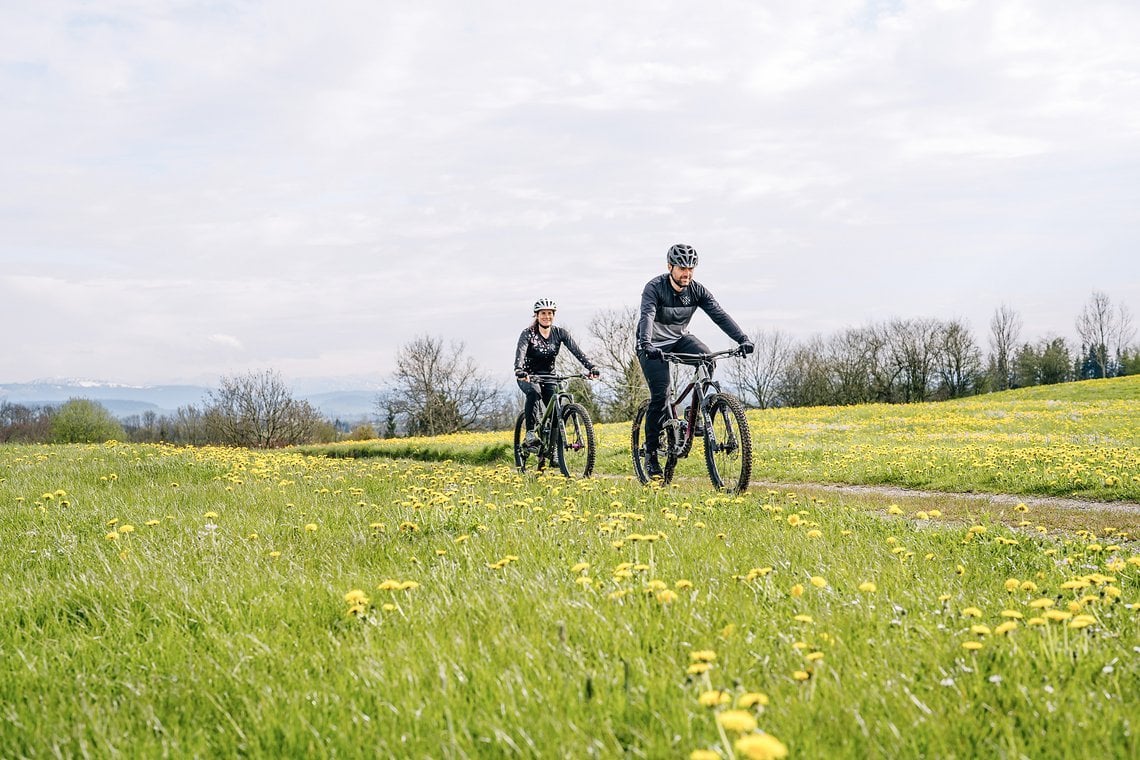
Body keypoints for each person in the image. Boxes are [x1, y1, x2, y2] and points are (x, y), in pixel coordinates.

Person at [635, 244, 754, 478]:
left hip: (679, 339)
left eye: (690, 268)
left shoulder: (697, 291)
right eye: (681, 268)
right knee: (661, 396)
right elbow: (647, 315)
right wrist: (646, 343)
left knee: (707, 358)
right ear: (670, 267)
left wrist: (742, 338)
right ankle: (650, 453)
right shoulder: (654, 288)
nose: (686, 273)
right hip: (651, 346)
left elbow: (719, 315)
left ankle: (694, 411)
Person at [514, 298, 599, 448]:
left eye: (549, 313)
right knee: (534, 393)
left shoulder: (560, 333)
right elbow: (520, 352)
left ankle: (553, 450)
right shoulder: (528, 334)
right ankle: (530, 434)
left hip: (549, 376)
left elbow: (576, 351)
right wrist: (519, 370)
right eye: (543, 313)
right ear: (537, 315)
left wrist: (591, 367)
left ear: (553, 315)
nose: (547, 316)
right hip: (528, 376)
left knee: (555, 413)